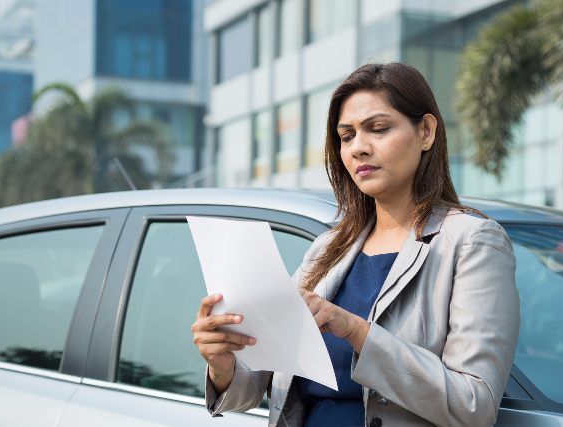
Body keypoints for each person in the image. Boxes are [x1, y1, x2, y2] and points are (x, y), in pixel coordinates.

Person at [191, 62, 520, 427]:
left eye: (378, 129)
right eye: (346, 136)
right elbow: (259, 384)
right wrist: (223, 365)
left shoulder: (471, 241)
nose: (359, 148)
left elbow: (474, 406)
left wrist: (356, 331)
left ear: (426, 132)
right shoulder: (327, 248)